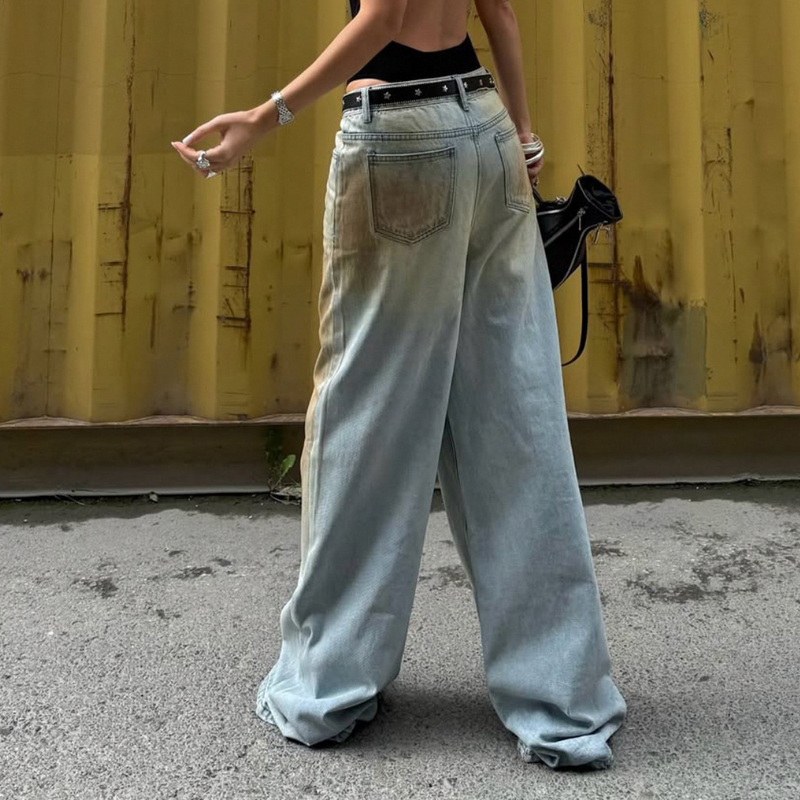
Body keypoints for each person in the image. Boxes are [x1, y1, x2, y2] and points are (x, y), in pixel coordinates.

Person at [171, 0, 627, 771]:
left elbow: (385, 16)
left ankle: (327, 685)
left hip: (401, 140)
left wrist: (265, 116)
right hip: (487, 132)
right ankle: (565, 701)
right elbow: (499, 11)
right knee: (515, 423)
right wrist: (522, 134)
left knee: (366, 419)